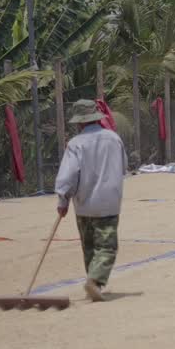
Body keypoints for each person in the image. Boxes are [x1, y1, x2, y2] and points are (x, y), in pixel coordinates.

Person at [55, 99, 127, 301]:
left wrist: (63, 201)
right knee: (106, 247)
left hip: (84, 204)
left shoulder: (75, 144)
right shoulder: (114, 139)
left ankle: (92, 280)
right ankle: (95, 281)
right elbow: (123, 167)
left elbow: (68, 176)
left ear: (80, 122)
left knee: (89, 247)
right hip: (109, 202)